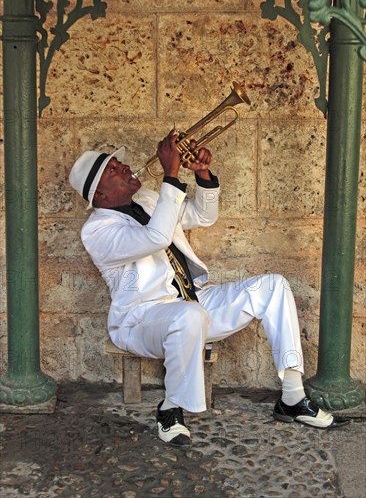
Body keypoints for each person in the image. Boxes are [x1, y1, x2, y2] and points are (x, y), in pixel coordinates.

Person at [69, 130, 349, 446]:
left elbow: (202, 216)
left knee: (274, 286)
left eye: (118, 163)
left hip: (195, 298)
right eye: (113, 170)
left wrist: (201, 175)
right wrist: (171, 174)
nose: (124, 167)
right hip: (142, 319)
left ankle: (293, 397)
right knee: (187, 317)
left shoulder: (148, 198)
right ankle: (170, 408)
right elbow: (155, 238)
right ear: (100, 196)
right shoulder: (95, 231)